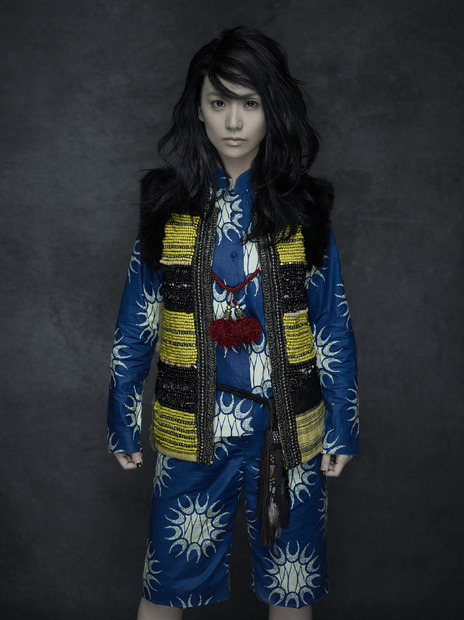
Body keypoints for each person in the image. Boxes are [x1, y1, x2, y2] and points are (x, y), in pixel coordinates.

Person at [107, 26, 358, 620]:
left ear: (273, 110)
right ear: (198, 108)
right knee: (165, 586)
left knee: (292, 588)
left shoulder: (304, 209)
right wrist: (123, 414)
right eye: (219, 102)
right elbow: (138, 318)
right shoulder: (166, 207)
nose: (235, 122)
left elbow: (330, 321)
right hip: (189, 429)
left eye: (250, 103)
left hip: (288, 431)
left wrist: (343, 424)